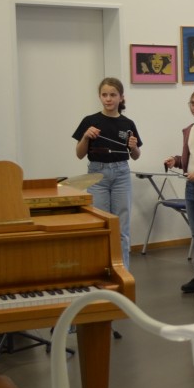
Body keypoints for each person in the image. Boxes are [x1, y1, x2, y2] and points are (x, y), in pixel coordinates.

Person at [72, 77, 141, 271]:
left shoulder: (127, 123)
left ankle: (123, 272)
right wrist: (85, 137)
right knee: (101, 224)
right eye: (104, 95)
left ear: (121, 97)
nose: (108, 99)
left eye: (113, 95)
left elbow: (135, 156)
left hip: (121, 174)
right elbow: (79, 154)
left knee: (121, 227)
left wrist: (134, 147)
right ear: (99, 97)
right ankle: (101, 270)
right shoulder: (90, 121)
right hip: (97, 175)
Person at [166, 88, 194, 294]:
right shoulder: (189, 130)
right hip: (191, 186)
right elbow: (191, 157)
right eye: (192, 103)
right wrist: (176, 161)